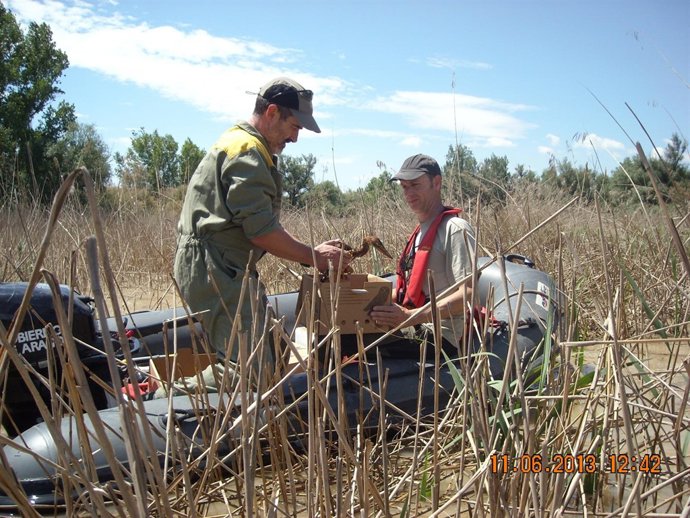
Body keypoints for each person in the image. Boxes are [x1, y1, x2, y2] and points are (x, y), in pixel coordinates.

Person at [174, 77, 350, 367]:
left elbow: (260, 222)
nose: (295, 138)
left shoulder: (241, 143)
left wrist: (311, 254)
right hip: (213, 268)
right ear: (271, 113)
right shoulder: (247, 150)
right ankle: (157, 399)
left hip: (220, 266)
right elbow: (261, 231)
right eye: (295, 126)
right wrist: (314, 257)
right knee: (253, 369)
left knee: (262, 353)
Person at [370, 154, 475, 357]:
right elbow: (409, 293)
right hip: (415, 325)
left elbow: (468, 294)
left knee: (361, 350)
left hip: (441, 336)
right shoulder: (420, 232)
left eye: (415, 185)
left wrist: (410, 317)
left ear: (436, 183)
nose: (409, 193)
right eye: (404, 187)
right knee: (343, 338)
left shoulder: (455, 229)